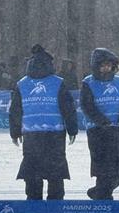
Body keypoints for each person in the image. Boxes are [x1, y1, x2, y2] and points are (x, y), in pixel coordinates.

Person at [9, 44, 78, 200]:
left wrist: (15, 132)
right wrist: (72, 129)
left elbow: (15, 110)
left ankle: (33, 199)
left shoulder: (22, 84)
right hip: (55, 133)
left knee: (32, 168)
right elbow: (68, 108)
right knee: (56, 169)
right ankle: (55, 200)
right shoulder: (58, 82)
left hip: (31, 133)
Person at [80, 48, 119, 200]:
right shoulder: (88, 82)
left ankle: (100, 192)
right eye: (102, 65)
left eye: (109, 65)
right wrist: (102, 121)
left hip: (117, 130)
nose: (106, 68)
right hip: (97, 131)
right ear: (96, 66)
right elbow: (87, 106)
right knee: (103, 168)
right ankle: (104, 196)